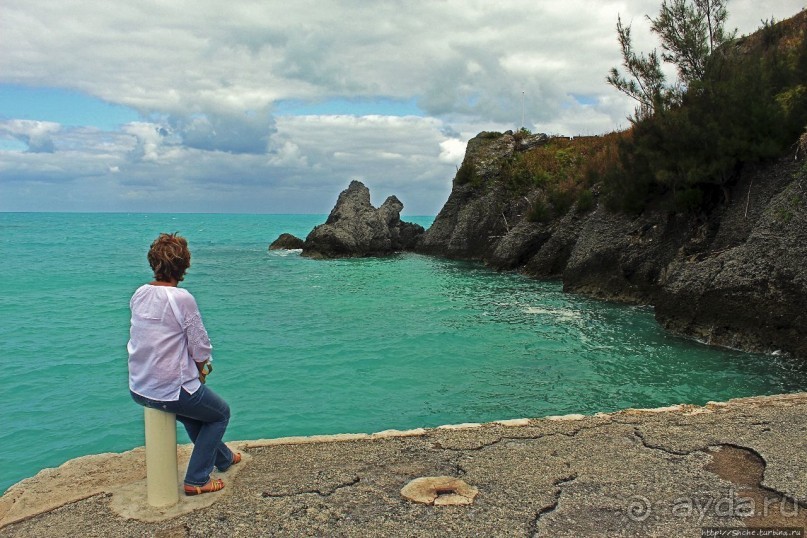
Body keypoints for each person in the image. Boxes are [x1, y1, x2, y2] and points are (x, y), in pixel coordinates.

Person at [127, 232, 240, 496]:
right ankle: (197, 479)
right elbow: (200, 346)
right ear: (184, 265)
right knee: (220, 414)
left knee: (196, 414)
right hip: (169, 390)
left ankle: (222, 459)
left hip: (140, 388)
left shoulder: (140, 293)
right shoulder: (181, 299)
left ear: (154, 263)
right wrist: (202, 370)